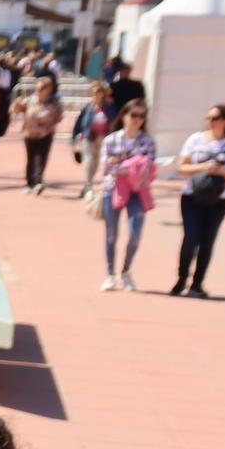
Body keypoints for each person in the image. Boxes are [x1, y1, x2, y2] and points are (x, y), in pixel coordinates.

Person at [174, 103, 225, 298]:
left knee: (207, 240)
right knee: (191, 237)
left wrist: (222, 170)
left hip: (219, 199)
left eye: (215, 118)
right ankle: (181, 279)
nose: (210, 121)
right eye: (208, 117)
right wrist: (202, 167)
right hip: (192, 196)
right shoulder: (196, 139)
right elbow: (181, 167)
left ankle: (197, 284)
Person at [99, 99, 159, 292]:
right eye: (134, 115)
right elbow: (105, 167)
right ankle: (110, 274)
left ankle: (125, 271)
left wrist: (120, 163)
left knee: (135, 234)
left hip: (138, 190)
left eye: (142, 116)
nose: (137, 119)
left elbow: (149, 168)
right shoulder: (111, 140)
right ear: (124, 115)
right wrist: (132, 164)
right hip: (113, 188)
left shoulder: (147, 141)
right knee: (111, 234)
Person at [14, 73, 63, 194]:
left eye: (42, 88)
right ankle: (29, 183)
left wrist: (50, 120)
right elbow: (17, 110)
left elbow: (59, 116)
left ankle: (38, 182)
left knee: (41, 158)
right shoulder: (30, 100)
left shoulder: (54, 102)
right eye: (38, 88)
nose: (39, 90)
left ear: (49, 89)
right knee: (30, 159)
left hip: (46, 134)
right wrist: (17, 105)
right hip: (30, 133)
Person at [71, 81, 114, 201]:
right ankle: (88, 185)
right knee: (89, 161)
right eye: (94, 92)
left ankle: (89, 183)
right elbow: (78, 123)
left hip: (103, 138)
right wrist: (74, 139)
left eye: (98, 92)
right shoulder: (88, 107)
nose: (96, 94)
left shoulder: (109, 107)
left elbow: (114, 120)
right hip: (89, 137)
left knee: (96, 162)